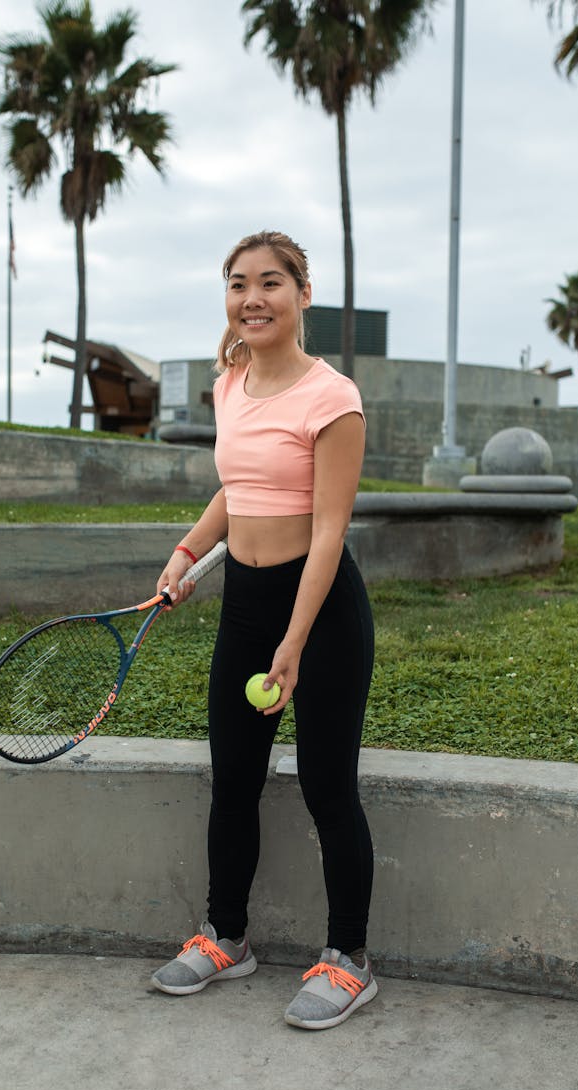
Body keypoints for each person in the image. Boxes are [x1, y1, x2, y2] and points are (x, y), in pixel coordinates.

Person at [151, 230, 375, 1031]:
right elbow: (235, 490)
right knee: (234, 778)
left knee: (326, 786)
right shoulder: (230, 382)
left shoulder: (332, 397)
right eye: (238, 283)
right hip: (246, 605)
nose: (253, 297)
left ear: (302, 294)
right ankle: (226, 938)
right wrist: (186, 552)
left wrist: (296, 638)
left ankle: (348, 958)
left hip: (319, 611)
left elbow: (328, 529)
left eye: (271, 282)